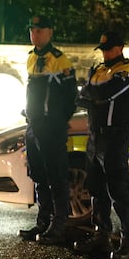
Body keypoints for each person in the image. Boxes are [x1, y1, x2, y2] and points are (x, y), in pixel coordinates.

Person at [73, 31, 129, 259]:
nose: (105, 52)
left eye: (109, 48)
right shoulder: (100, 69)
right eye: (102, 48)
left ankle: (128, 240)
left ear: (120, 47)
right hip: (95, 136)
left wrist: (92, 96)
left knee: (118, 191)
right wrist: (93, 97)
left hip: (115, 137)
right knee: (96, 188)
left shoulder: (127, 71)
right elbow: (86, 95)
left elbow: (103, 93)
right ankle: (102, 234)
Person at [17, 15, 78, 245]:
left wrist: (56, 120)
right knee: (39, 175)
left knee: (56, 176)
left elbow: (71, 96)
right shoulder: (31, 57)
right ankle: (43, 221)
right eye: (32, 30)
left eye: (39, 30)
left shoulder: (60, 60)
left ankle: (58, 222)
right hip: (33, 126)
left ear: (50, 32)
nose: (35, 34)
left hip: (51, 128)